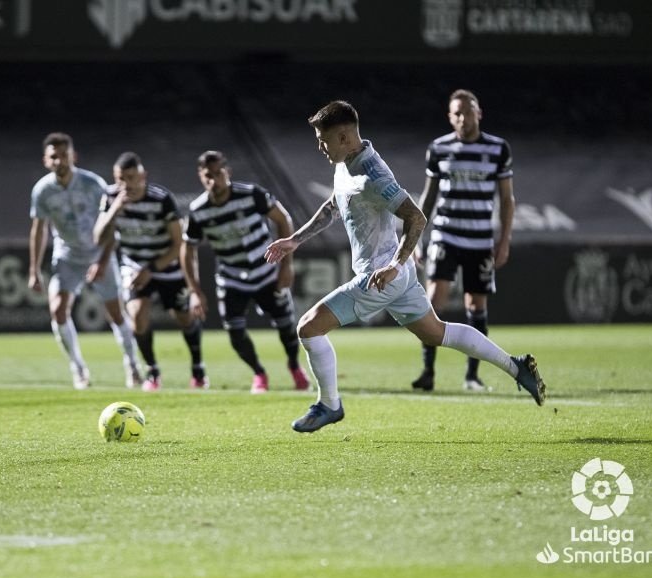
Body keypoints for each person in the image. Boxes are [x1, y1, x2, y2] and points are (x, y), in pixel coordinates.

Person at [264, 100, 545, 433]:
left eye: (322, 140)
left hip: (382, 277)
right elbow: (333, 205)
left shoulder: (373, 173)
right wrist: (295, 240)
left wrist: (395, 265)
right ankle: (517, 367)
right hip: (394, 275)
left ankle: (329, 405)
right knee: (438, 332)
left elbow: (416, 217)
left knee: (308, 328)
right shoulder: (345, 164)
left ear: (343, 137)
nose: (319, 147)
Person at [412, 89, 516, 393]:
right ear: (450, 116)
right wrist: (417, 238)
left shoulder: (498, 149)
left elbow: (507, 199)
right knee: (433, 302)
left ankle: (472, 375)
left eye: (467, 112)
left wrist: (504, 239)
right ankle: (428, 371)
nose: (462, 118)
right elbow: (428, 197)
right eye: (456, 113)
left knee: (475, 304)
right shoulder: (439, 148)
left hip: (480, 240)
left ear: (478, 113)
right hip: (445, 234)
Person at [181, 150, 310, 393]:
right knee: (235, 333)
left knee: (286, 325)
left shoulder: (252, 195)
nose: (213, 180)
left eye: (218, 173)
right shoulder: (198, 210)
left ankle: (294, 366)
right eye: (207, 175)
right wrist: (194, 291)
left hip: (267, 271)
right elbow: (187, 250)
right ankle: (259, 374)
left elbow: (283, 220)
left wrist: (287, 265)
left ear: (227, 172)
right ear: (200, 176)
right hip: (232, 278)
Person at [28, 132, 142, 390]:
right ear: (46, 160)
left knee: (116, 312)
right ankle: (78, 369)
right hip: (67, 256)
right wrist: (34, 270)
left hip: (98, 253)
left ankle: (132, 365)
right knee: (57, 310)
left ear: (73, 156)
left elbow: (112, 226)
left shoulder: (93, 184)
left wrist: (102, 261)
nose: (59, 161)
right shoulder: (42, 191)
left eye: (63, 155)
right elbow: (39, 229)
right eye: (53, 157)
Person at [94, 152, 207, 391]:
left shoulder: (162, 199)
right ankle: (152, 371)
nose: (126, 184)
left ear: (143, 176)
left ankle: (198, 368)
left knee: (184, 317)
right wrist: (114, 209)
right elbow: (98, 238)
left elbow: (179, 244)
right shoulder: (111, 197)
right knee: (136, 317)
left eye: (131, 178)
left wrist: (153, 268)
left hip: (168, 266)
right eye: (120, 178)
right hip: (134, 266)